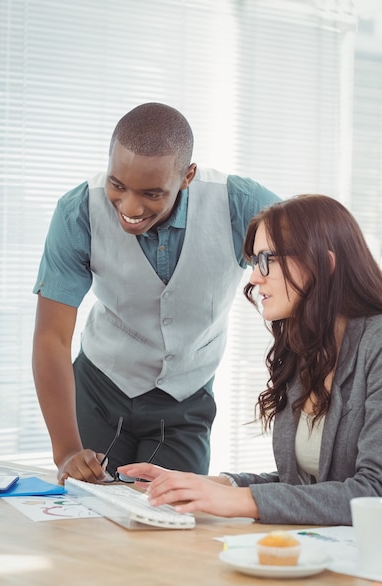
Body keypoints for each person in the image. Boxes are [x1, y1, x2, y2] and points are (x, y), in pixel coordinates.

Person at [32, 102, 279, 485]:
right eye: (117, 184)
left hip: (186, 401)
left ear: (187, 176)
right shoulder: (77, 211)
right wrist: (65, 451)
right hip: (100, 390)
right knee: (89, 521)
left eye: (151, 193)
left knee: (171, 521)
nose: (130, 206)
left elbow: (309, 261)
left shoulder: (240, 204)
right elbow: (52, 337)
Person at [119, 194, 382, 526]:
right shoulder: (310, 350)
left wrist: (237, 500)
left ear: (324, 265)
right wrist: (210, 486)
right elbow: (304, 488)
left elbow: (373, 494)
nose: (255, 278)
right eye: (255, 261)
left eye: (267, 259)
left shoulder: (376, 346)